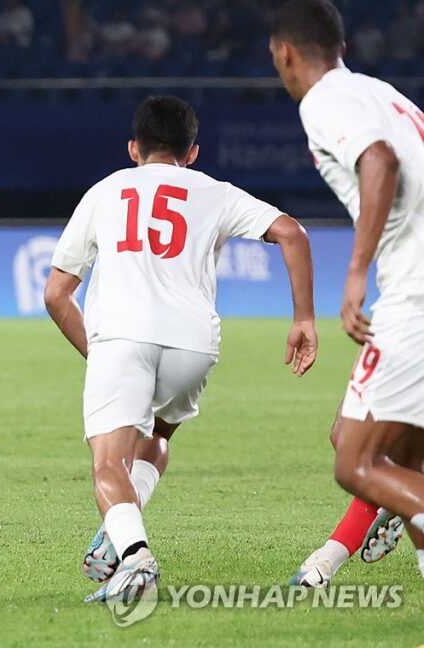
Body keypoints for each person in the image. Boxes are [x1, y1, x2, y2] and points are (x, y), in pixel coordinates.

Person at [45, 95, 318, 601]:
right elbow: (293, 234)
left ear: (133, 148)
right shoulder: (214, 192)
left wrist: (101, 354)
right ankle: (118, 532)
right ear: (192, 152)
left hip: (123, 336)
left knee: (109, 463)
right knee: (159, 433)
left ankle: (135, 557)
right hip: (194, 344)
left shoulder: (106, 191)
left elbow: (56, 294)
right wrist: (303, 318)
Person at [270, 0, 424, 586]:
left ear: (284, 53)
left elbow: (378, 161)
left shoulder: (326, 100)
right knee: (405, 459)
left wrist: (357, 271)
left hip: (414, 293)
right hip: (414, 285)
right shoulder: (382, 93)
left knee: (355, 459)